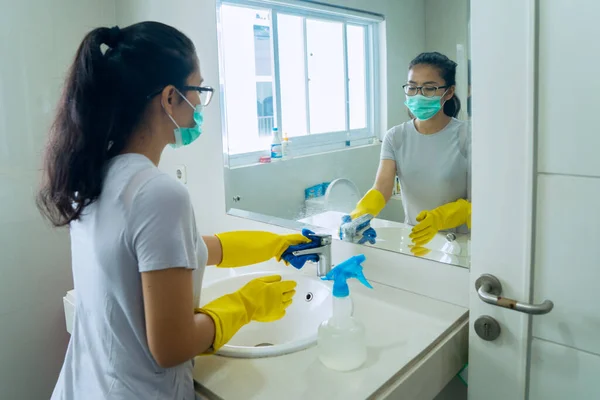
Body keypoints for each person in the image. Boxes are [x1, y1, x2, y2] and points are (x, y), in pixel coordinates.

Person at [37, 22, 313, 399]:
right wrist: (244, 305)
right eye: (197, 89)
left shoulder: (94, 175)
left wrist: (274, 244)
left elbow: (177, 252)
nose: (200, 104)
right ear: (169, 99)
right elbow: (171, 346)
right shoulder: (158, 192)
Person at [343, 52, 471, 249]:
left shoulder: (466, 135)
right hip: (414, 240)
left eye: (429, 88)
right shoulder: (396, 137)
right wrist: (360, 214)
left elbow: (481, 200)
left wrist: (442, 217)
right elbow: (381, 189)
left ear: (449, 92)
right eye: (412, 87)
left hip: (458, 244)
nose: (418, 95)